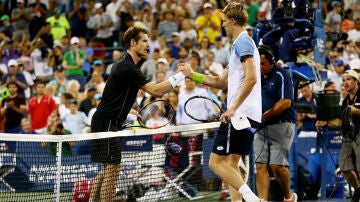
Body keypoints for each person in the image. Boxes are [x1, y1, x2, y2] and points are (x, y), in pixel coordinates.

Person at [89, 26, 189, 201]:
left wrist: (128, 110)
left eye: (148, 42)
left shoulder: (126, 64)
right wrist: (180, 76)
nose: (147, 46)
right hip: (107, 122)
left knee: (107, 168)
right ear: (133, 42)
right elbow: (156, 91)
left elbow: (114, 95)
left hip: (105, 120)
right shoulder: (127, 66)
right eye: (144, 41)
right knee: (113, 168)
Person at [183, 2, 263, 201]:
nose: (223, 26)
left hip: (239, 114)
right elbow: (220, 81)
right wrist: (193, 75)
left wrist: (232, 108)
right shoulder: (241, 45)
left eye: (225, 22)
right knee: (232, 165)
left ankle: (251, 198)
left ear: (233, 21)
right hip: (249, 114)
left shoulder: (243, 43)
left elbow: (251, 78)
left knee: (216, 163)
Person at [254, 45, 297, 201]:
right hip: (261, 128)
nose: (260, 67)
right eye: (257, 63)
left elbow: (285, 102)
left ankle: (289, 197)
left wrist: (264, 116)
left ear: (272, 61)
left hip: (282, 125)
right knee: (260, 166)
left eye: (263, 63)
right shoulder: (255, 78)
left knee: (277, 167)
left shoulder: (282, 74)